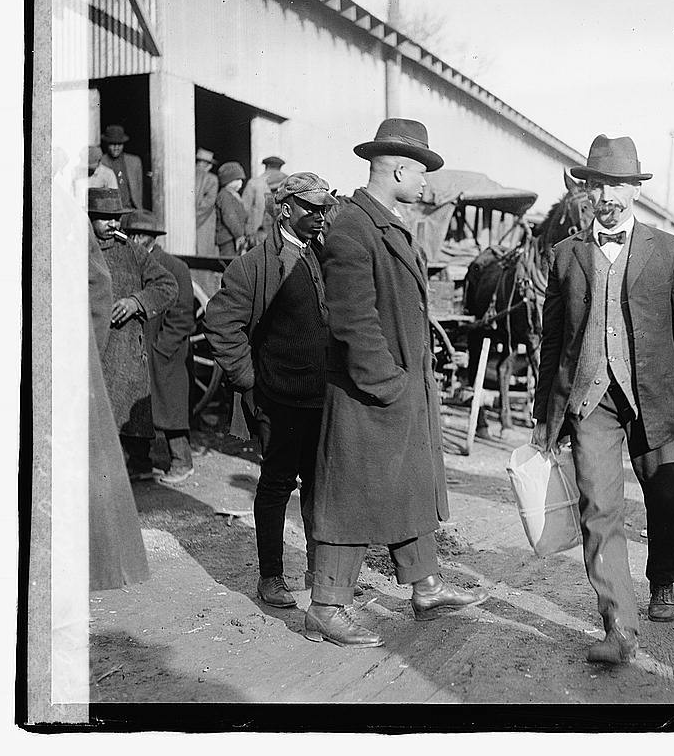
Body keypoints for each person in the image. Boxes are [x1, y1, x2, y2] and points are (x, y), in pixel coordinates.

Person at [533, 135, 674, 665]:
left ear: (635, 191)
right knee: (599, 508)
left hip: (656, 398)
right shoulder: (566, 255)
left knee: (667, 498)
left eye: (619, 185)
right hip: (589, 399)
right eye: (599, 185)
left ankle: (663, 580)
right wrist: (544, 416)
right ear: (586, 192)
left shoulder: (667, 252)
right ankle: (619, 625)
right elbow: (552, 341)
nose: (608, 195)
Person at [308, 118, 488, 648]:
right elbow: (352, 320)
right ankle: (325, 605)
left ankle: (427, 587)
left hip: (396, 388)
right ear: (400, 169)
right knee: (351, 496)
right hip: (370, 393)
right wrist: (388, 384)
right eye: (424, 171)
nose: (428, 182)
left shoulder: (380, 221)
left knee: (406, 483)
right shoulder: (352, 227)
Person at [205, 172, 339, 608]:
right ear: (286, 209)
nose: (320, 216)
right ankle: (270, 577)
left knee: (320, 486)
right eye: (311, 208)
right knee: (278, 484)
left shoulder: (325, 255)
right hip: (279, 399)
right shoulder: (255, 265)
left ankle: (320, 572)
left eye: (323, 208)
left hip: (323, 396)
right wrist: (248, 380)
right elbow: (220, 322)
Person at [87, 188, 178, 482]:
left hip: (125, 347)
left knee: (128, 409)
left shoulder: (132, 251)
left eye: (116, 218)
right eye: (105, 219)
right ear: (89, 219)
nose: (113, 224)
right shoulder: (76, 247)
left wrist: (136, 302)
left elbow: (167, 286)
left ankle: (138, 463)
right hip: (90, 346)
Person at [121, 211, 197, 484]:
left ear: (142, 237)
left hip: (166, 352)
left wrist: (161, 349)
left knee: (170, 409)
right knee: (135, 411)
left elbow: (182, 316)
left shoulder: (175, 267)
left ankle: (181, 462)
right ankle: (140, 463)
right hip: (136, 350)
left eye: (130, 236)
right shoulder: (128, 263)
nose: (127, 241)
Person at [242, 155, 286, 246]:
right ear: (280, 167)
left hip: (260, 232)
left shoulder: (254, 183)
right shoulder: (289, 182)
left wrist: (248, 232)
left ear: (266, 166)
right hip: (283, 233)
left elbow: (244, 209)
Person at [99, 124, 145, 211]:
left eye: (119, 144)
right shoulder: (101, 162)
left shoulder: (134, 162)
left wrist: (139, 209)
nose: (116, 147)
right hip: (111, 210)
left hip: (132, 209)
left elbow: (139, 189)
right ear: (107, 144)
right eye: (112, 144)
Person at [215, 161, 248, 257]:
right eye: (237, 179)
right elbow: (230, 217)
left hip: (233, 237)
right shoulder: (225, 195)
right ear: (228, 181)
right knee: (229, 264)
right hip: (228, 239)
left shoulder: (232, 195)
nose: (241, 183)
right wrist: (239, 235)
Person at [195, 148, 219, 256]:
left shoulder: (210, 178)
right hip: (201, 219)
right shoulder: (211, 178)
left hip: (201, 220)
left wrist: (191, 219)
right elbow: (208, 202)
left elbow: (208, 202)